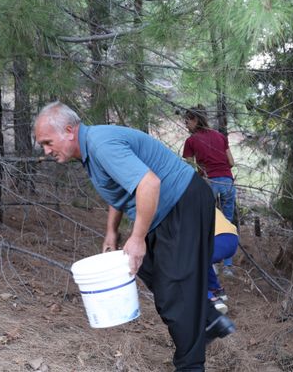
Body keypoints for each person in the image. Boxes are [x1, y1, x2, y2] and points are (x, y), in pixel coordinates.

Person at [34, 101, 235, 371]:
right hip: (165, 211)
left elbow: (148, 183)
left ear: (69, 130)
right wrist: (111, 232)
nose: (46, 151)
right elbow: (121, 188)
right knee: (153, 276)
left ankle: (190, 365)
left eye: (47, 142)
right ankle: (210, 319)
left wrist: (138, 237)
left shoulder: (101, 144)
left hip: (182, 202)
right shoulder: (91, 150)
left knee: (176, 294)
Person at [182, 105, 237, 276]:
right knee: (227, 222)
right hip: (227, 181)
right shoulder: (220, 136)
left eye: (187, 120)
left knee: (207, 223)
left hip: (208, 181)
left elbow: (190, 168)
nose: (185, 124)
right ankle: (228, 267)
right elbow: (231, 162)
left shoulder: (191, 141)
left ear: (195, 120)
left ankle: (211, 262)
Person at [208, 208, 239, 315]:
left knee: (190, 263)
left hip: (217, 240)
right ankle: (216, 290)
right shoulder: (204, 199)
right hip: (233, 238)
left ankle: (211, 300)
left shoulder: (183, 205)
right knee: (203, 262)